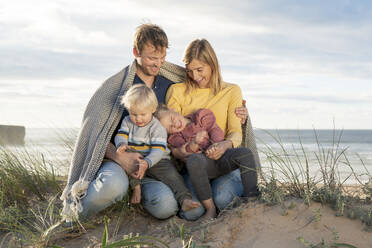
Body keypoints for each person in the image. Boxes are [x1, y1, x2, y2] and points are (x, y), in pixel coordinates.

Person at [60, 23, 256, 223]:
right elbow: (97, 135)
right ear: (136, 52)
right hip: (126, 161)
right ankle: (72, 218)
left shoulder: (168, 81)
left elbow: (198, 130)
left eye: (162, 58)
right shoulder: (119, 87)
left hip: (159, 164)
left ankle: (138, 195)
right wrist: (120, 158)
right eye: (152, 58)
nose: (158, 64)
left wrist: (240, 119)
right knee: (114, 186)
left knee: (173, 206)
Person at [166, 39, 260, 219]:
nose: (194, 76)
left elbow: (235, 132)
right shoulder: (177, 91)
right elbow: (172, 136)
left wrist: (224, 145)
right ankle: (209, 207)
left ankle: (253, 202)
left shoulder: (231, 91)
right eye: (190, 71)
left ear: (212, 64)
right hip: (194, 163)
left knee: (224, 199)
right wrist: (189, 149)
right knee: (193, 212)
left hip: (221, 158)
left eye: (199, 70)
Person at [114, 84, 200, 211]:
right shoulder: (127, 121)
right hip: (136, 157)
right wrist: (121, 144)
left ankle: (184, 199)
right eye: (134, 114)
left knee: (172, 176)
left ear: (152, 109)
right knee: (130, 163)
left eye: (143, 114)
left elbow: (158, 150)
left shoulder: (157, 127)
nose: (138, 119)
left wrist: (148, 162)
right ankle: (136, 189)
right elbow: (121, 134)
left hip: (158, 160)